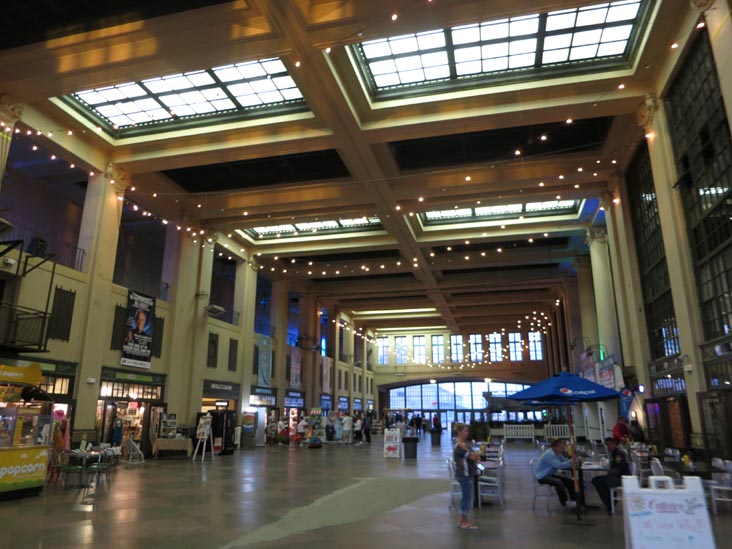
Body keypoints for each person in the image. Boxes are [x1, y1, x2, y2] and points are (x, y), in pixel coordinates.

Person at [591, 437, 631, 514]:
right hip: (615, 476)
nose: (608, 447)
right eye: (607, 445)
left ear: (614, 444)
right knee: (596, 480)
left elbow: (617, 470)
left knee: (600, 481)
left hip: (622, 478)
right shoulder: (613, 453)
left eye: (610, 444)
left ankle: (610, 502)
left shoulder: (619, 454)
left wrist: (608, 471)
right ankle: (609, 499)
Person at [534, 439, 577, 510]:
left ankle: (574, 501)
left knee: (570, 481)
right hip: (542, 477)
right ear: (555, 447)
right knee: (558, 482)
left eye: (563, 447)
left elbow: (564, 461)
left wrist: (571, 461)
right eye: (561, 447)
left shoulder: (557, 453)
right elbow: (559, 465)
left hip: (549, 475)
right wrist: (572, 461)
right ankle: (565, 502)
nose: (563, 449)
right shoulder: (550, 454)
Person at [453, 422, 480, 530]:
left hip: (466, 474)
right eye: (465, 431)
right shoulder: (460, 446)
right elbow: (473, 456)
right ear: (459, 432)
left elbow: (474, 456)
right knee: (466, 497)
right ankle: (464, 521)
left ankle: (462, 520)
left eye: (467, 431)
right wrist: (476, 455)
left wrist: (476, 456)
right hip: (464, 474)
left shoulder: (463, 445)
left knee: (467, 496)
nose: (467, 433)